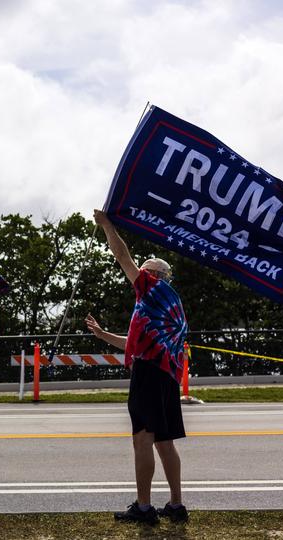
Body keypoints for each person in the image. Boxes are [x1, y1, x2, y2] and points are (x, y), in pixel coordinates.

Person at [86, 209, 189, 525]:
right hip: (166, 376)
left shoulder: (153, 289)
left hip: (149, 374)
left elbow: (121, 256)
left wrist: (107, 226)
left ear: (154, 275)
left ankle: (144, 508)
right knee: (164, 440)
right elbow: (134, 344)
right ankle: (175, 505)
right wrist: (104, 335)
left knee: (142, 438)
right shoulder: (166, 305)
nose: (138, 274)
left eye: (145, 271)